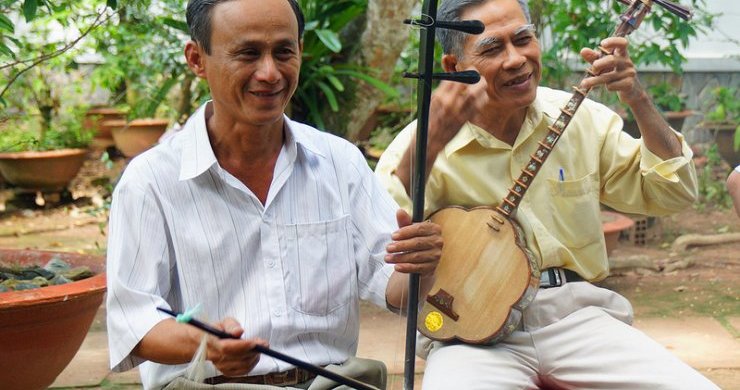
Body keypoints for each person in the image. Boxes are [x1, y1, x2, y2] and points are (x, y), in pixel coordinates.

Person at [374, 0, 719, 389]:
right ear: (454, 67)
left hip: (578, 319)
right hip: (468, 335)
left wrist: (637, 99)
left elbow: (673, 193)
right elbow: (386, 262)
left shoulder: (584, 119)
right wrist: (430, 145)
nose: (516, 59)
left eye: (523, 40)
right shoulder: (418, 143)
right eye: (492, 48)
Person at [105, 0, 442, 389]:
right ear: (197, 59)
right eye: (248, 53)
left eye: (284, 52)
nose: (270, 72)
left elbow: (396, 291)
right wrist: (206, 345)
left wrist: (419, 265)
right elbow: (135, 321)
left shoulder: (339, 163)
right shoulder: (151, 181)